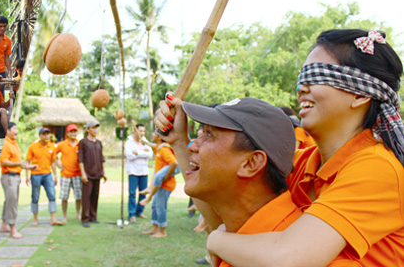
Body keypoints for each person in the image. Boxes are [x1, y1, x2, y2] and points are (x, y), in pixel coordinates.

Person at [174, 29, 404, 266]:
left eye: (316, 76)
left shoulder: (378, 168)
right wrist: (179, 142)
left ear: (360, 95)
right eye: (302, 77)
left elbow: (289, 259)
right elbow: (235, 219)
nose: (302, 88)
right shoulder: (303, 163)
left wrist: (216, 242)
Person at [154, 97, 360, 266]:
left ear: (252, 163)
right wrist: (178, 141)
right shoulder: (241, 237)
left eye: (209, 134)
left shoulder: (310, 259)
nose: (192, 145)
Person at [0, 125, 38, 238]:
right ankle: (12, 228)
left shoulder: (14, 143)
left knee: (9, 201)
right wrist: (19, 165)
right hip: (9, 176)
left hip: (15, 176)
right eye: (15, 129)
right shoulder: (6, 144)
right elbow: (4, 162)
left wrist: (29, 167)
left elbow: (18, 162)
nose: (17, 131)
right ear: (8, 130)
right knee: (12, 202)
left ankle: (4, 225)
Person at [141, 133, 177, 238]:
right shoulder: (159, 147)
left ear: (160, 137)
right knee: (154, 205)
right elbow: (154, 145)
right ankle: (155, 227)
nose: (152, 134)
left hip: (166, 185)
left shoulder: (164, 150)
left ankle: (162, 231)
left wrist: (166, 176)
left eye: (154, 134)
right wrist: (147, 143)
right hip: (159, 185)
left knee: (160, 207)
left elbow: (174, 163)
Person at [26, 128, 64, 226]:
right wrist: (27, 176)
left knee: (52, 195)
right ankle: (35, 219)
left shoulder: (52, 147)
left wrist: (55, 176)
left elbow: (53, 162)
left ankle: (53, 219)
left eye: (48, 134)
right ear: (40, 136)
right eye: (44, 134)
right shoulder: (33, 147)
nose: (46, 136)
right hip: (35, 175)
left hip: (48, 175)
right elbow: (27, 162)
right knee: (35, 197)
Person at [78, 121, 107, 228]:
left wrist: (103, 172)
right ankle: (85, 218)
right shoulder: (83, 142)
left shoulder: (99, 143)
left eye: (96, 128)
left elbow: (101, 158)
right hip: (87, 174)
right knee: (86, 197)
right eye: (93, 128)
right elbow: (80, 159)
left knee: (95, 195)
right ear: (87, 130)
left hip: (97, 173)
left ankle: (93, 216)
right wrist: (83, 174)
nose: (95, 130)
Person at [53, 124, 83, 223]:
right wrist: (58, 164)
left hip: (77, 174)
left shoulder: (80, 144)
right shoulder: (62, 144)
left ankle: (78, 213)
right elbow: (53, 155)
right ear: (67, 133)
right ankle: (64, 215)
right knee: (64, 196)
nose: (73, 133)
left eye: (75, 131)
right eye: (71, 132)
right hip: (65, 174)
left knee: (78, 196)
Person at [125, 124, 154, 223]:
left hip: (143, 171)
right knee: (132, 193)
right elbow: (130, 156)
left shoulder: (145, 142)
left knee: (143, 192)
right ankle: (131, 213)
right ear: (135, 131)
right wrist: (143, 152)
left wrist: (138, 152)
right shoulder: (129, 143)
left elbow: (150, 155)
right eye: (140, 131)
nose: (142, 133)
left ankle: (139, 211)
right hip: (133, 171)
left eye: (143, 131)